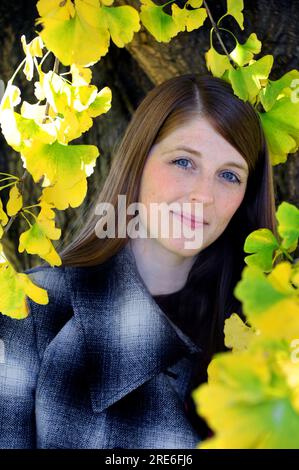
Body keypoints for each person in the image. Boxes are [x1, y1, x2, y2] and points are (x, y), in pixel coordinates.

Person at [0, 73, 277, 449]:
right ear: (139, 159)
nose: (203, 195)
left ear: (246, 196)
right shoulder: (31, 309)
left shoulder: (268, 335)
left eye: (229, 175)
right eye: (183, 162)